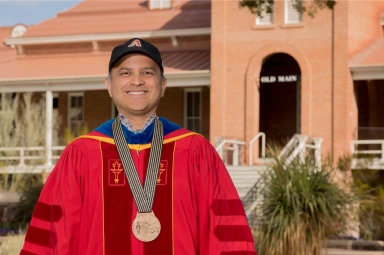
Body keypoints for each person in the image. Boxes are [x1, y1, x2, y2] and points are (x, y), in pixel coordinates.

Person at [20, 38, 255, 255]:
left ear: (163, 85)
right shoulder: (82, 153)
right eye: (125, 72)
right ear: (109, 86)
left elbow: (224, 233)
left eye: (147, 72)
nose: (137, 80)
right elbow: (53, 235)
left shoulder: (195, 151)